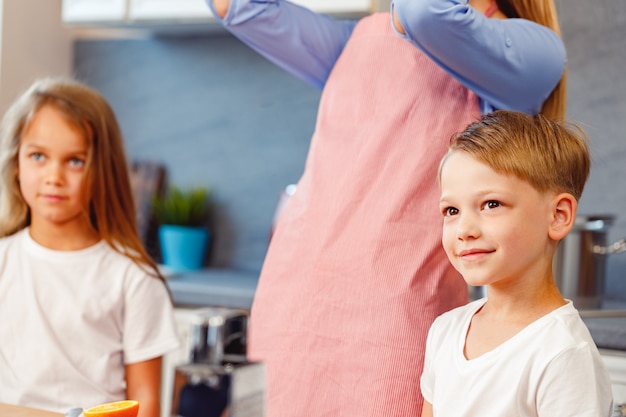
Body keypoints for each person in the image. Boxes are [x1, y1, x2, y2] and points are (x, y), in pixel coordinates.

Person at [206, 0, 567, 415]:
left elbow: (424, 15)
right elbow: (235, 6)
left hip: (395, 322)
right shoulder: (361, 37)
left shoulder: (533, 51)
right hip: (292, 307)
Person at [0, 78, 180, 417]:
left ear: (103, 171)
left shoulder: (133, 279)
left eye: (75, 161)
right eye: (38, 156)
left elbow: (146, 404)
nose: (54, 176)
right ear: (15, 165)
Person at [425, 110, 613, 417]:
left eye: (491, 204)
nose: (464, 230)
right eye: (451, 210)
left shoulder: (562, 353)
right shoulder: (445, 331)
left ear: (558, 216)